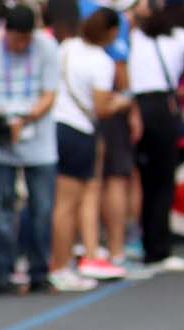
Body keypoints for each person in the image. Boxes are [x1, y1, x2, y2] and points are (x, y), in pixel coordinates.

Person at [0, 4, 60, 295]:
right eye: (16, 39)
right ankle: (0, 274)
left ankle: (40, 272)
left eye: (26, 39)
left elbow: (50, 93)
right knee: (1, 211)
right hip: (0, 141)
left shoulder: (46, 47)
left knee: (42, 209)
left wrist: (26, 117)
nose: (21, 45)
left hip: (38, 140)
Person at [129, 0, 184, 273]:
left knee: (141, 179)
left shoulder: (133, 36)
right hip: (162, 108)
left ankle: (142, 243)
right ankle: (159, 248)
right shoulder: (182, 37)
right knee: (163, 180)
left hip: (133, 107)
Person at [50, 6, 129, 290]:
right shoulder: (101, 62)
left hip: (56, 126)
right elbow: (101, 106)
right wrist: (121, 102)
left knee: (62, 201)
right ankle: (61, 265)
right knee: (68, 203)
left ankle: (65, 259)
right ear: (110, 32)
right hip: (79, 130)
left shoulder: (67, 47)